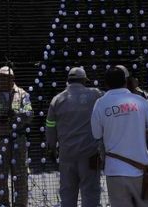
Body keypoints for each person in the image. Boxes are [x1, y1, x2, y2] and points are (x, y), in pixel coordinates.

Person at [91, 65, 148, 207]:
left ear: (106, 84)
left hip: (115, 171)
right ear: (126, 81)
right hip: (141, 169)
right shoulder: (139, 100)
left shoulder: (100, 104)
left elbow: (96, 134)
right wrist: (140, 134)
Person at [46, 67, 104, 207]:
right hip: (90, 154)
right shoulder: (96, 95)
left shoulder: (57, 100)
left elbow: (50, 125)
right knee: (90, 192)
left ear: (68, 81)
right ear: (84, 80)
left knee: (67, 193)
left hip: (67, 154)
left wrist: (51, 148)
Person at [0, 66, 33, 207]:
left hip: (18, 139)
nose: (1, 80)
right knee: (1, 176)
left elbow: (30, 114)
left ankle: (20, 205)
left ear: (12, 78)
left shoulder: (22, 94)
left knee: (21, 176)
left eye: (4, 77)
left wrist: (17, 115)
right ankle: (3, 204)